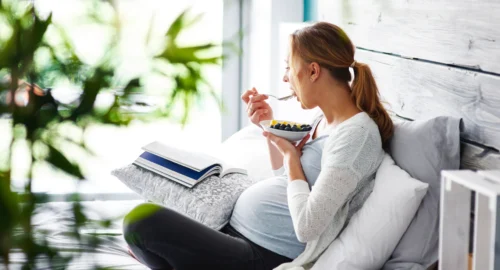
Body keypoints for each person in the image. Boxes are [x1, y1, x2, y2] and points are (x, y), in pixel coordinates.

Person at [122, 21, 393, 270]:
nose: (286, 78)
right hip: (234, 232)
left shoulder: (356, 136)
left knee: (141, 220)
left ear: (312, 71)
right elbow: (288, 183)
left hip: (262, 255)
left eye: (289, 67)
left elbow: (308, 227)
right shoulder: (322, 119)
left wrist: (291, 158)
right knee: (148, 215)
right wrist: (268, 125)